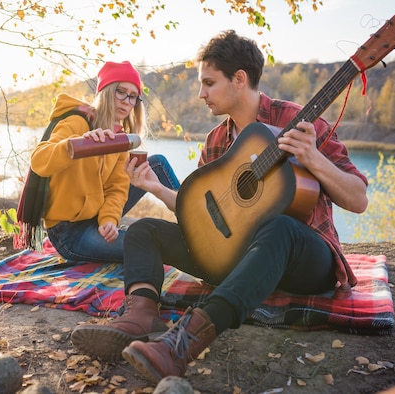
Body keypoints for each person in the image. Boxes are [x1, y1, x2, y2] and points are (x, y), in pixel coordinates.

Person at [70, 30, 369, 380]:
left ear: (239, 79)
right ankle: (140, 315)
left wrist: (314, 159)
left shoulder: (297, 122)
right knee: (144, 230)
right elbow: (199, 212)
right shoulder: (216, 139)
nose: (200, 94)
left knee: (280, 227)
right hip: (234, 257)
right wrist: (153, 187)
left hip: (301, 261)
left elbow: (358, 199)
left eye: (209, 83)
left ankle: (182, 344)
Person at [29, 61, 180, 264]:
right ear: (106, 91)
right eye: (121, 92)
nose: (127, 101)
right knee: (148, 246)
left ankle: (196, 221)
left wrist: (108, 219)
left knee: (157, 164)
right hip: (68, 232)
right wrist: (76, 144)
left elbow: (117, 188)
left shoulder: (119, 138)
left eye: (133, 96)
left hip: (96, 217)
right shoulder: (76, 122)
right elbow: (39, 160)